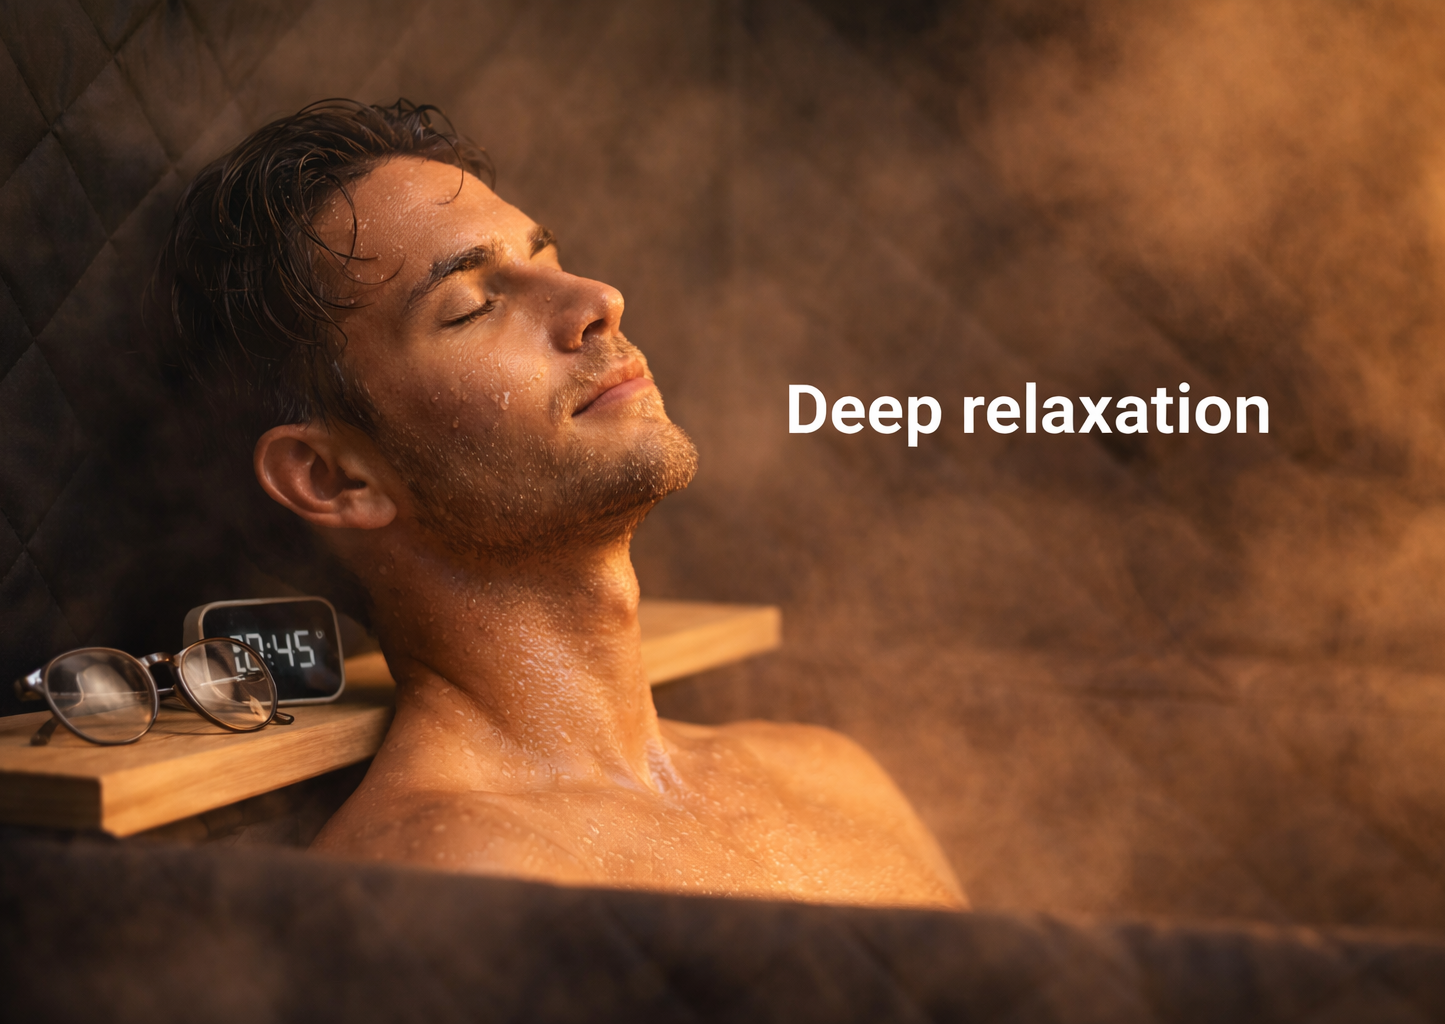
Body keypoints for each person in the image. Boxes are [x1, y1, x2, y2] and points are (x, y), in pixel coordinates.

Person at [152, 100, 966, 909]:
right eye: (473, 306)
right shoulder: (445, 882)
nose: (599, 298)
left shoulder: (831, 774)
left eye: (551, 258)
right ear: (334, 479)